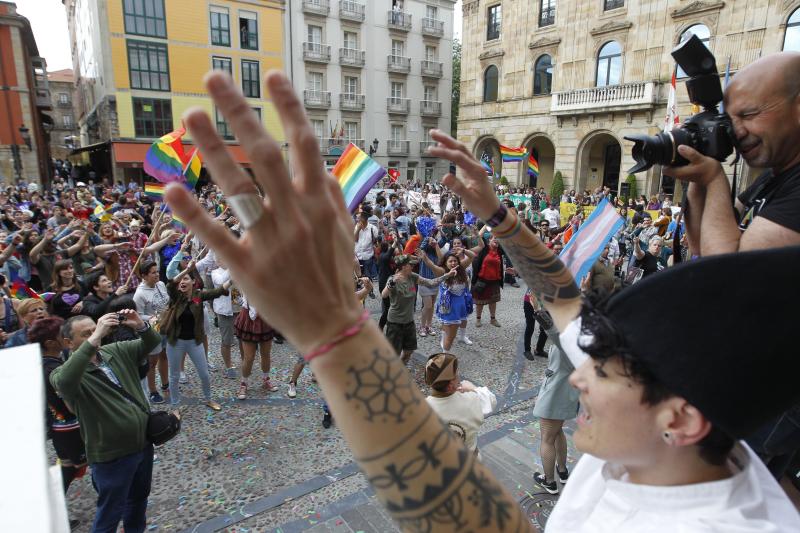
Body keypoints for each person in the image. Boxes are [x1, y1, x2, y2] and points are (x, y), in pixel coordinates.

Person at [165, 71, 800, 533]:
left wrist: (336, 337)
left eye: (601, 371)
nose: (577, 371)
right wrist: (494, 211)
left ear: (681, 421)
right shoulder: (668, 434)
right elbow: (561, 298)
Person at [665, 52, 800, 256]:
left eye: (748, 115)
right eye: (730, 120)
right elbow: (702, 244)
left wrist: (713, 179)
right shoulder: (770, 179)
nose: (736, 131)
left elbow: (726, 273)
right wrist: (699, 170)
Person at [49, 310, 161, 533]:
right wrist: (95, 337)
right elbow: (64, 381)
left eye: (95, 329)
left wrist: (140, 326)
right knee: (109, 514)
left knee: (138, 502)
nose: (95, 335)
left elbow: (152, 343)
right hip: (112, 457)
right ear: (68, 342)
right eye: (87, 333)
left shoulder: (113, 351)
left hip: (142, 445)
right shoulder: (64, 373)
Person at [29, 316, 88, 497]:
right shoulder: (53, 370)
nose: (66, 336)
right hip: (68, 428)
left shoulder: (45, 364)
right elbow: (67, 404)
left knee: (69, 467)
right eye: (62, 334)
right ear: (50, 343)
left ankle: (56, 506)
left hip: (59, 428)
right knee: (84, 464)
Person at [159, 260, 230, 410]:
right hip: (175, 342)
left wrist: (234, 279)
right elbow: (170, 284)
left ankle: (208, 399)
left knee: (204, 373)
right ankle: (175, 406)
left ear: (194, 281)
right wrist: (186, 271)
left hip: (194, 342)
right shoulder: (176, 296)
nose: (183, 281)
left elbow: (218, 291)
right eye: (182, 279)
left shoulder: (198, 296)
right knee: (174, 376)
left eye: (186, 279)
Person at [381, 254, 454, 363]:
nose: (413, 266)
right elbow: (384, 295)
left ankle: (401, 367)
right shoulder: (393, 279)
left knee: (408, 351)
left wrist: (447, 275)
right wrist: (391, 283)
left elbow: (431, 282)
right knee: (393, 353)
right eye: (411, 265)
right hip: (395, 323)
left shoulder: (412, 276)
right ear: (404, 266)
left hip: (409, 322)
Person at [424, 353, 496, 458]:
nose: (458, 375)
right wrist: (474, 388)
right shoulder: (472, 399)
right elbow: (491, 400)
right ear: (450, 386)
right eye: (456, 374)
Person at [132, 260, 170, 404]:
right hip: (152, 332)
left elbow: (166, 301)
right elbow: (138, 315)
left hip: (165, 327)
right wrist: (154, 317)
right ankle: (153, 391)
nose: (157, 275)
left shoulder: (160, 285)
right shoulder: (139, 294)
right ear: (144, 276)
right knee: (151, 362)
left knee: (164, 355)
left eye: (157, 271)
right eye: (153, 273)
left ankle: (165, 383)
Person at [233, 293, 280, 399]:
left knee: (266, 354)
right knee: (249, 357)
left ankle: (266, 379)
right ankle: (243, 384)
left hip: (266, 315)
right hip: (250, 316)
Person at [210, 260, 240, 379]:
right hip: (225, 311)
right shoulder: (215, 272)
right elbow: (221, 281)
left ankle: (245, 362)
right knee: (227, 340)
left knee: (243, 339)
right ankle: (229, 367)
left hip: (239, 308)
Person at [471, 235, 506, 327]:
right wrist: (477, 232)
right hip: (482, 280)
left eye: (498, 238)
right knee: (480, 302)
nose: (497, 240)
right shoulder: (484, 249)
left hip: (494, 281)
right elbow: (479, 238)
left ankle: (493, 319)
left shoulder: (499, 250)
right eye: (494, 238)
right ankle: (478, 319)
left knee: (493, 301)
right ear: (489, 240)